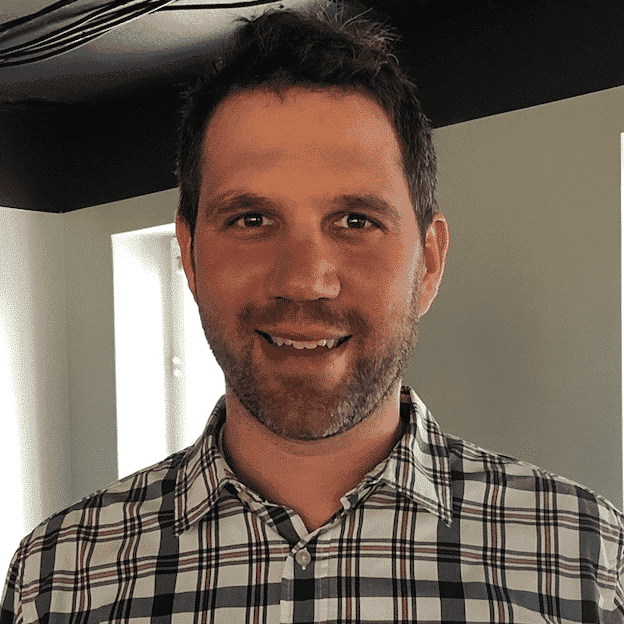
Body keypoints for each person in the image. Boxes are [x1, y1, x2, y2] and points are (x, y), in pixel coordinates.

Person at [2, 1, 623, 622]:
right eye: (252, 220)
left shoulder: (590, 564)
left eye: (356, 221)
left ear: (429, 263)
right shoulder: (58, 579)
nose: (304, 281)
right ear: (188, 256)